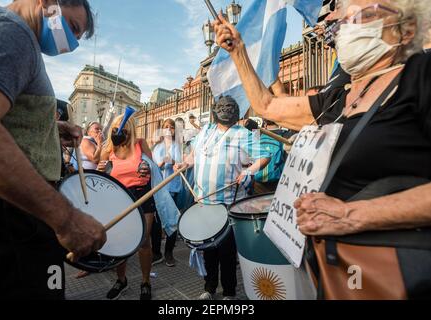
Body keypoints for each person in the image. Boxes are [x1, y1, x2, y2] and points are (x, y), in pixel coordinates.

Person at [214, 0, 431, 298]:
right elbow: (267, 105)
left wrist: (351, 215)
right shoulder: (340, 99)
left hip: (402, 273)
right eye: (341, 23)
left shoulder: (421, 75)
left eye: (365, 14)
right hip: (340, 273)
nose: (349, 28)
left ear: (406, 29)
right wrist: (238, 51)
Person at [0, 0, 106, 300]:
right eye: (73, 29)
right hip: (9, 220)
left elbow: (6, 119)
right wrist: (65, 219)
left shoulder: (2, 26)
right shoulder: (14, 32)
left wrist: (49, 131)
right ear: (49, 4)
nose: (72, 43)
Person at [176, 96, 270, 300]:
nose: (226, 109)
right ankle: (209, 288)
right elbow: (192, 155)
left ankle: (229, 292)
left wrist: (248, 172)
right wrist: (184, 164)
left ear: (236, 111)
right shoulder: (205, 132)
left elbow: (264, 155)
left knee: (227, 252)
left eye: (230, 106)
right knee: (208, 249)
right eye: (222, 106)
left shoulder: (244, 134)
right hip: (203, 202)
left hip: (228, 203)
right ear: (214, 109)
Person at [98, 115, 155, 300]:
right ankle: (121, 280)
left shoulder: (140, 144)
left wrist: (147, 167)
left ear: (129, 129)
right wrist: (101, 169)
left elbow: (153, 167)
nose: (117, 132)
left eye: (121, 129)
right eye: (114, 129)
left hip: (142, 195)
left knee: (144, 242)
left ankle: (145, 282)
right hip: (118, 198)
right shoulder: (110, 148)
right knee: (120, 242)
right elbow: (101, 172)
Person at [151, 119, 182, 267]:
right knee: (156, 222)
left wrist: (175, 162)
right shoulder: (157, 147)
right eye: (166, 127)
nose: (169, 129)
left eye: (171, 127)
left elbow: (181, 164)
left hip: (172, 187)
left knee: (172, 219)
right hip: (158, 187)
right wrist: (162, 162)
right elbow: (153, 166)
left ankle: (169, 252)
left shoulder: (178, 146)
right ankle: (156, 253)